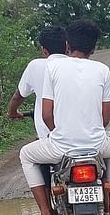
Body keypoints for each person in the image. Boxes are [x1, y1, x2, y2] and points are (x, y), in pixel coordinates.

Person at [19, 19, 110, 215]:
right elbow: (105, 118)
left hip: (61, 148)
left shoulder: (54, 67)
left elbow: (46, 114)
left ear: (67, 45)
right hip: (96, 147)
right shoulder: (103, 70)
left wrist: (57, 134)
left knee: (26, 155)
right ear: (94, 48)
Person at [8, 26, 68, 188]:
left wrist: (12, 112)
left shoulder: (36, 66)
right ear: (67, 46)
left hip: (54, 140)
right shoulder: (79, 65)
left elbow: (18, 96)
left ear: (43, 50)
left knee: (28, 155)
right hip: (84, 138)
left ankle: (46, 212)